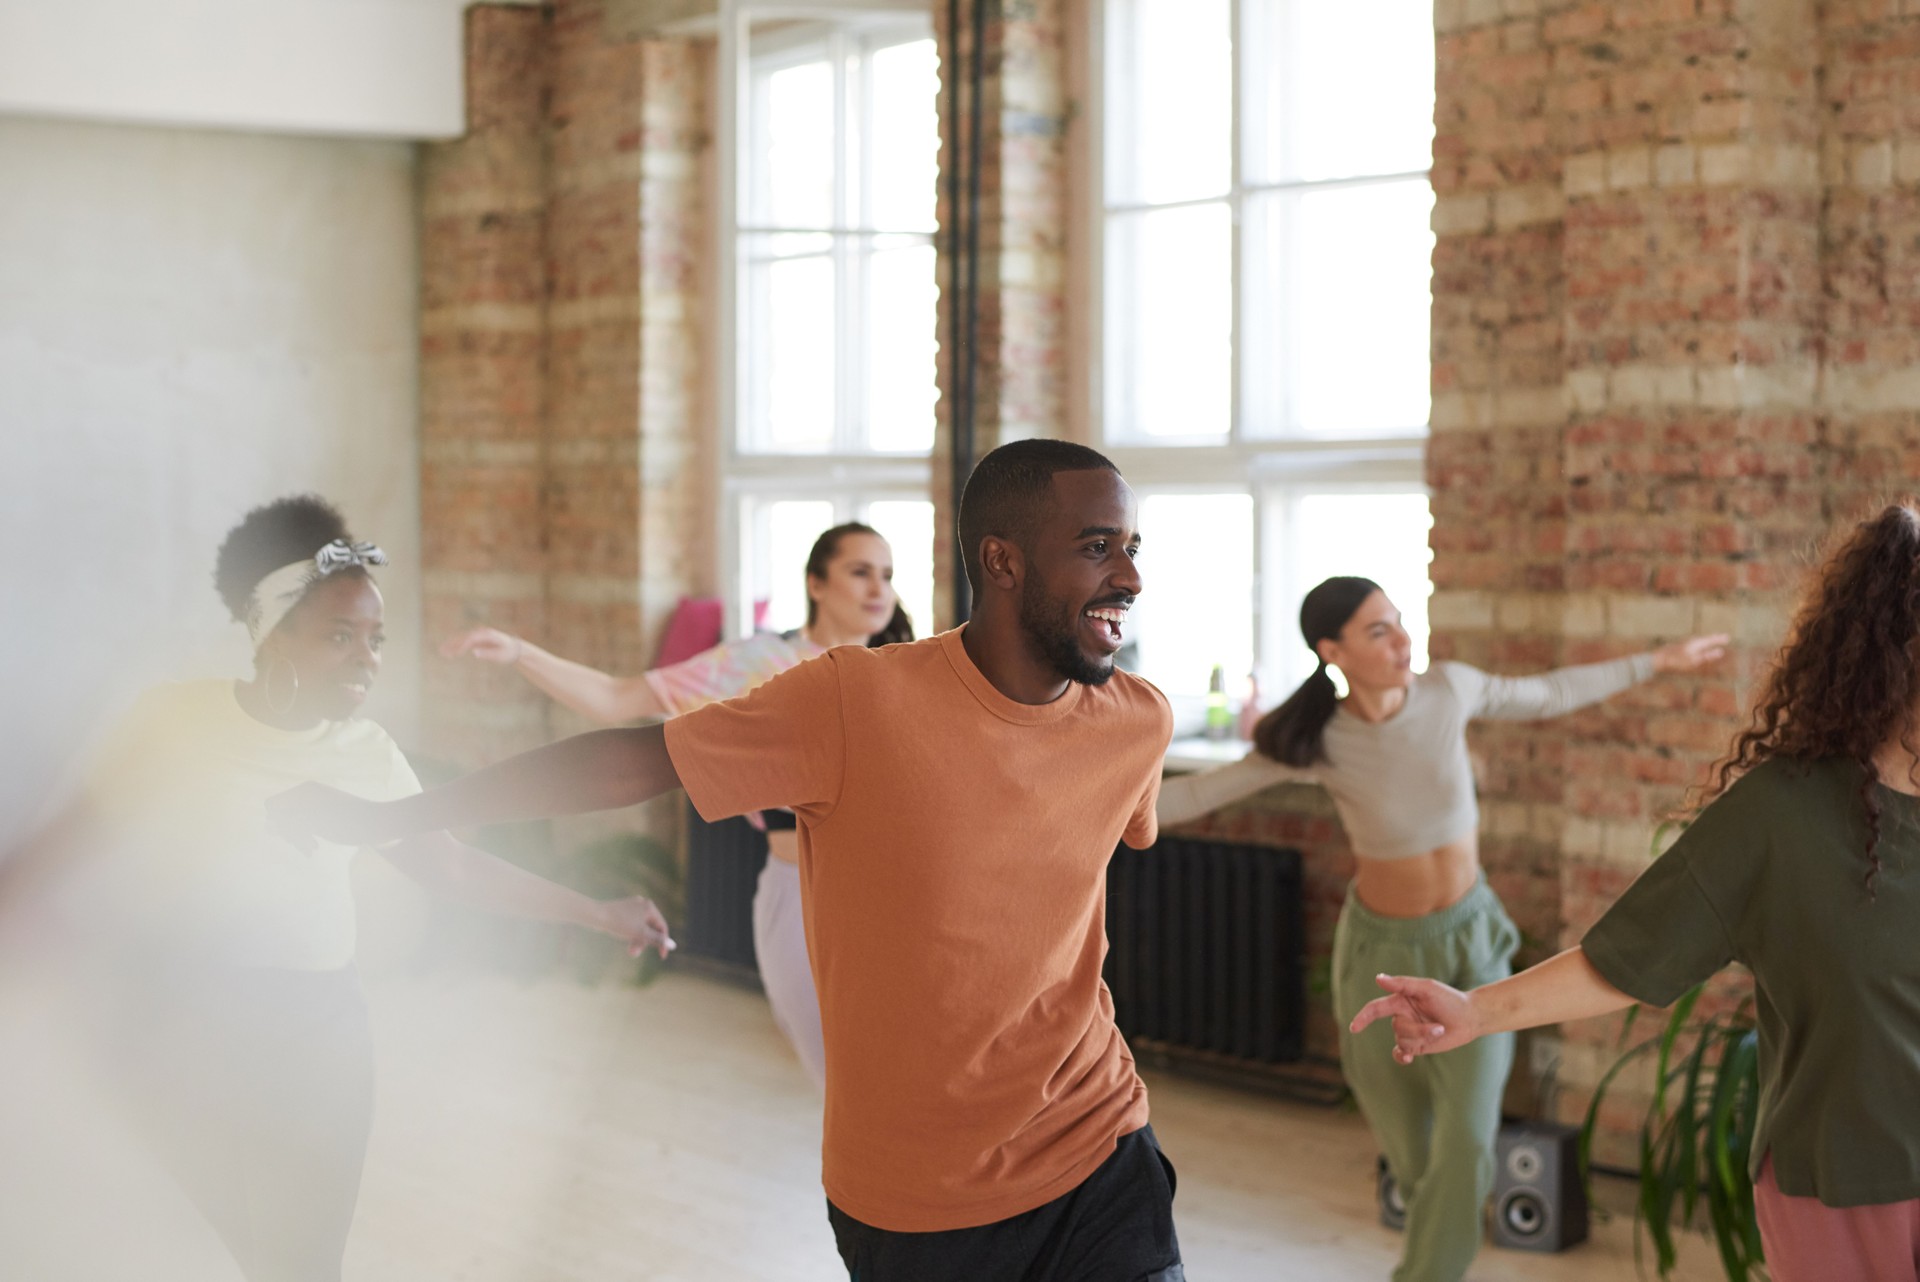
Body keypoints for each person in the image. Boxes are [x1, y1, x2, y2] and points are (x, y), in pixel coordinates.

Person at [270, 439, 1185, 1281]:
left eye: (1134, 546)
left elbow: (1108, 831)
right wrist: (397, 816)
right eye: (1100, 546)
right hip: (917, 1202)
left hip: (1101, 1149)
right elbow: (635, 756)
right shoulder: (855, 700)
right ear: (1003, 560)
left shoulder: (1136, 721)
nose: (1133, 576)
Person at [3, 496, 672, 1282]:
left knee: (303, 1265)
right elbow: (66, 846)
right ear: (271, 633)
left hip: (320, 1038)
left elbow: (450, 868)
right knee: (234, 1247)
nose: (367, 658)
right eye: (339, 635)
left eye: (376, 639)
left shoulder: (366, 753)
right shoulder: (174, 721)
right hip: (183, 1028)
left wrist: (595, 909)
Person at [1350, 502, 1920, 1282]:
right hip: (1846, 1188)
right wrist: (1479, 1010)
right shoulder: (1780, 818)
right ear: (1898, 651)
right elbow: (1626, 956)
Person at [1156, 576, 1727, 1282]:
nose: (1403, 641)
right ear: (1331, 650)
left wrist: (1657, 661)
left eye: (1399, 622)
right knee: (1414, 1154)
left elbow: (1546, 693)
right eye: (1378, 631)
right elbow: (1197, 793)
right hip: (1380, 956)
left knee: (1467, 1147)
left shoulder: (1448, 691)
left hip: (1472, 945)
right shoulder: (1317, 739)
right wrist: (1077, 811)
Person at [439, 522, 914, 1088]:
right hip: (800, 899)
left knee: (902, 1089)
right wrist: (519, 652)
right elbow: (617, 697)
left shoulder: (906, 673)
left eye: (885, 575)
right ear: (815, 583)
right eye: (859, 572)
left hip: (891, 904)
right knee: (844, 1089)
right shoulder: (763, 662)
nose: (877, 589)